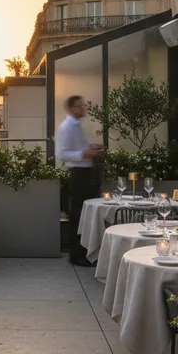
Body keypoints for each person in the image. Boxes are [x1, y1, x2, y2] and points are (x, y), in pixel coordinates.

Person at [56, 95, 104, 266]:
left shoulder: (75, 126)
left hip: (84, 173)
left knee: (83, 214)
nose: (83, 108)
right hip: (78, 174)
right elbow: (62, 153)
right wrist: (85, 154)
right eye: (79, 106)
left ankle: (82, 254)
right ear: (71, 108)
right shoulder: (67, 127)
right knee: (78, 214)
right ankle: (77, 255)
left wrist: (89, 149)